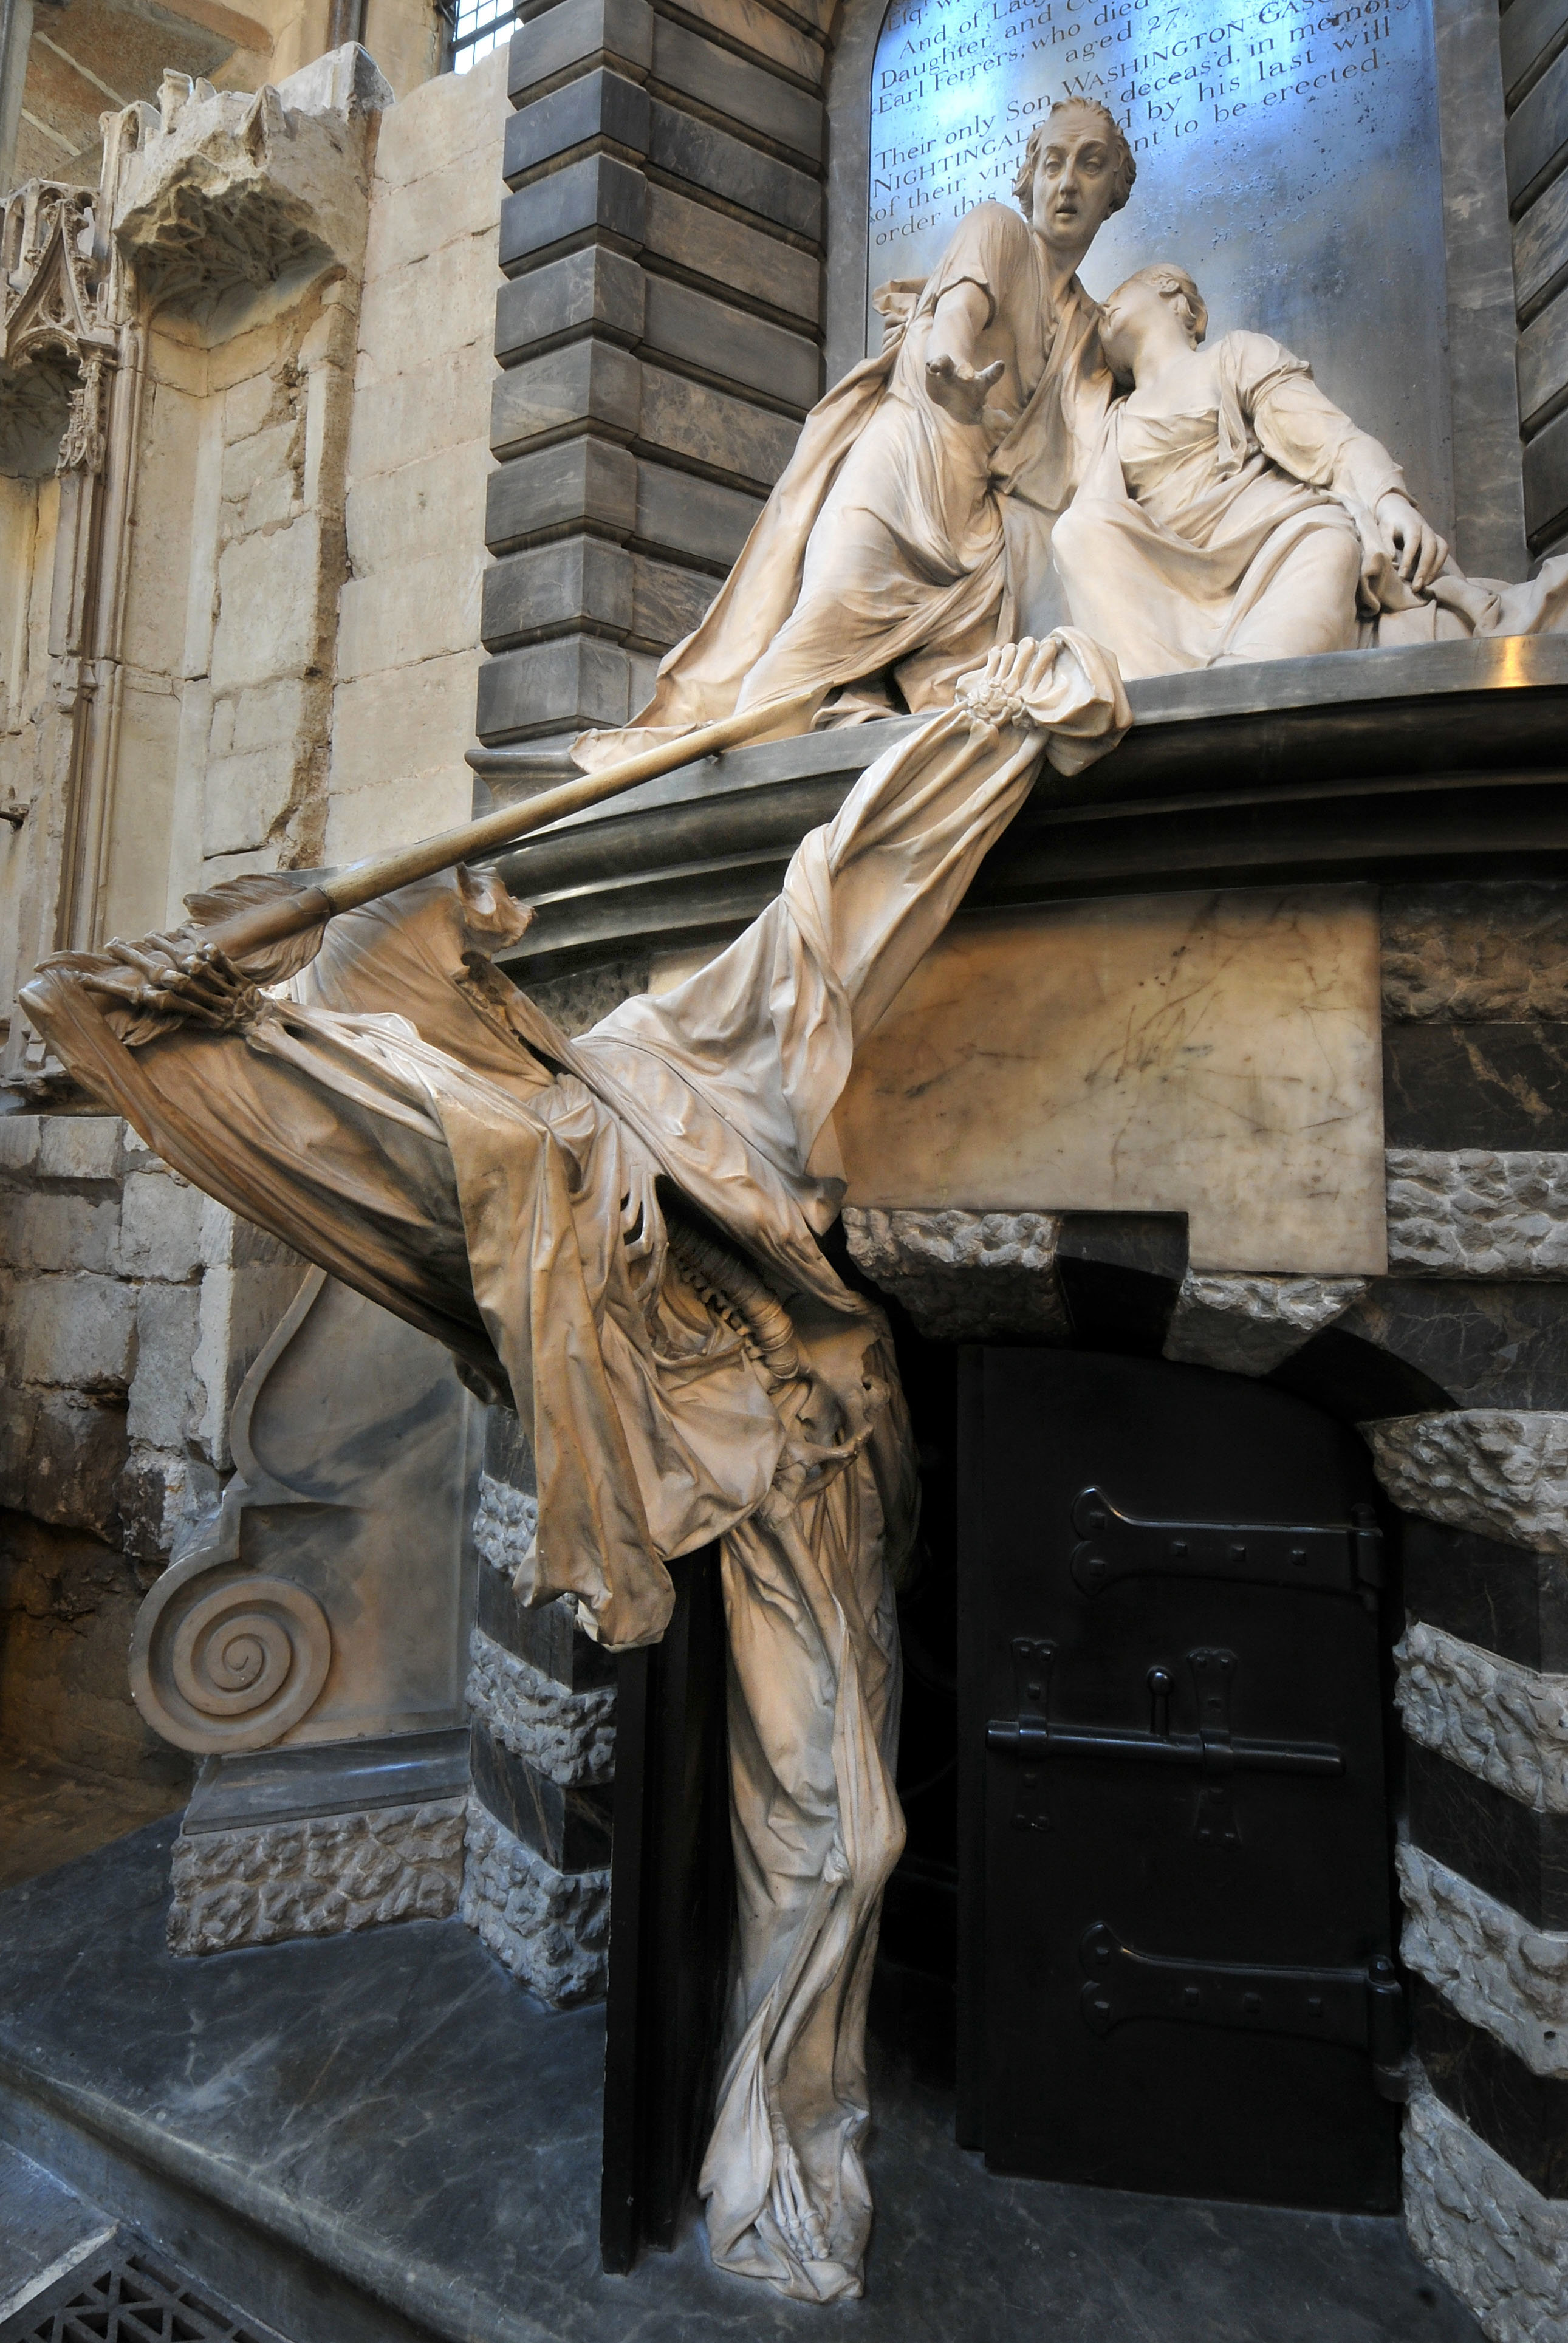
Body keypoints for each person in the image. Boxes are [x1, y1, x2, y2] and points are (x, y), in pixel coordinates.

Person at [22, 632, 1128, 2306]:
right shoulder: (474, 1188)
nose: (472, 971)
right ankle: (777, 2150)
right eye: (425, 986)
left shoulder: (652, 1067)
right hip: (727, 1492)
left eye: (457, 978)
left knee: (847, 1835)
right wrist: (191, 987)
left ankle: (789, 2131)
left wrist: (994, 724)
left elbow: (833, 907)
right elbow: (101, 1024)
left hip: (829, 1468)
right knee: (842, 1829)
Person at [572, 101, 1132, 766]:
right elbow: (959, 309)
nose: (1067, 183)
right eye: (1053, 163)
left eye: (1090, 166)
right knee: (820, 625)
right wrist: (948, 367)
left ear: (1113, 194)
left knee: (893, 686)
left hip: (984, 529)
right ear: (1030, 177)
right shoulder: (998, 230)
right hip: (909, 461)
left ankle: (816, 746)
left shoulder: (1090, 330)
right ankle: (713, 790)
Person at [1050, 261, 1568, 678]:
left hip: (1281, 542)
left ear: (1168, 290)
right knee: (1077, 529)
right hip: (1168, 576)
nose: (1104, 306)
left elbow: (1331, 440)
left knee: (1327, 544)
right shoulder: (1112, 423)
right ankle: (1157, 695)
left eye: (1118, 289)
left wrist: (1388, 500)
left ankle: (1228, 691)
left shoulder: (1233, 357)